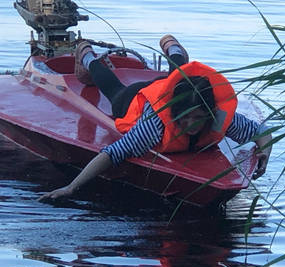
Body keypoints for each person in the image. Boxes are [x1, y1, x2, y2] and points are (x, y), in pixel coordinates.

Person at [39, 35, 272, 201]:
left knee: (181, 77)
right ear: (174, 112)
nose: (191, 126)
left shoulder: (219, 118)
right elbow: (112, 154)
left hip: (172, 89)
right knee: (113, 89)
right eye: (185, 118)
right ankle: (87, 56)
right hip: (135, 98)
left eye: (198, 118)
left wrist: (265, 153)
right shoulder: (155, 126)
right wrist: (71, 187)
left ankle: (173, 49)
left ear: (209, 112)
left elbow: (261, 132)